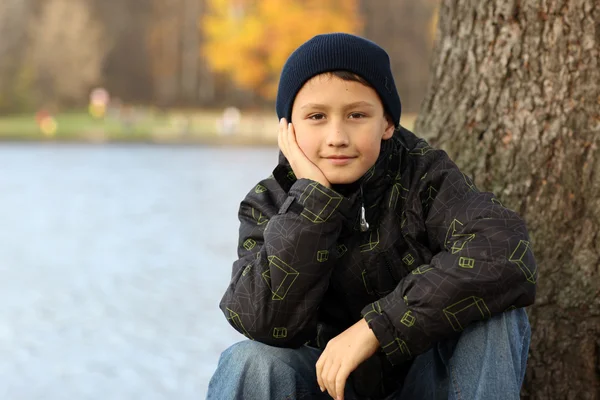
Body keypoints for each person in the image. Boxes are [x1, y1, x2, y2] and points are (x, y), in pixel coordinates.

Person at [207, 33, 536, 400]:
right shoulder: (269, 202)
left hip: (426, 385)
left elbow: (504, 250)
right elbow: (261, 321)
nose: (336, 136)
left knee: (496, 315)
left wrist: (376, 327)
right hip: (321, 386)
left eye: (357, 115)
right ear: (288, 130)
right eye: (316, 116)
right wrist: (313, 200)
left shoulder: (423, 177)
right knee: (248, 361)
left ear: (387, 124)